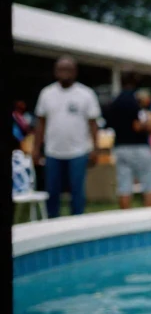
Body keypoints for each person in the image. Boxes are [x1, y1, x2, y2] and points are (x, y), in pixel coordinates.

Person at [31, 56, 101, 217]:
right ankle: (53, 225)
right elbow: (40, 123)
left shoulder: (86, 94)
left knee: (77, 193)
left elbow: (93, 124)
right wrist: (36, 149)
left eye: (68, 69)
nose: (64, 73)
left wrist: (95, 149)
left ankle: (77, 225)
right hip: (53, 152)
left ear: (75, 72)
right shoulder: (47, 93)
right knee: (52, 192)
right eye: (61, 69)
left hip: (78, 152)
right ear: (55, 72)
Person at [105, 73, 151, 209]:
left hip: (120, 147)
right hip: (139, 147)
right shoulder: (136, 101)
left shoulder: (115, 101)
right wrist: (148, 122)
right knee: (148, 184)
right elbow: (137, 125)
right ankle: (149, 216)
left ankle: (126, 217)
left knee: (124, 186)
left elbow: (109, 123)